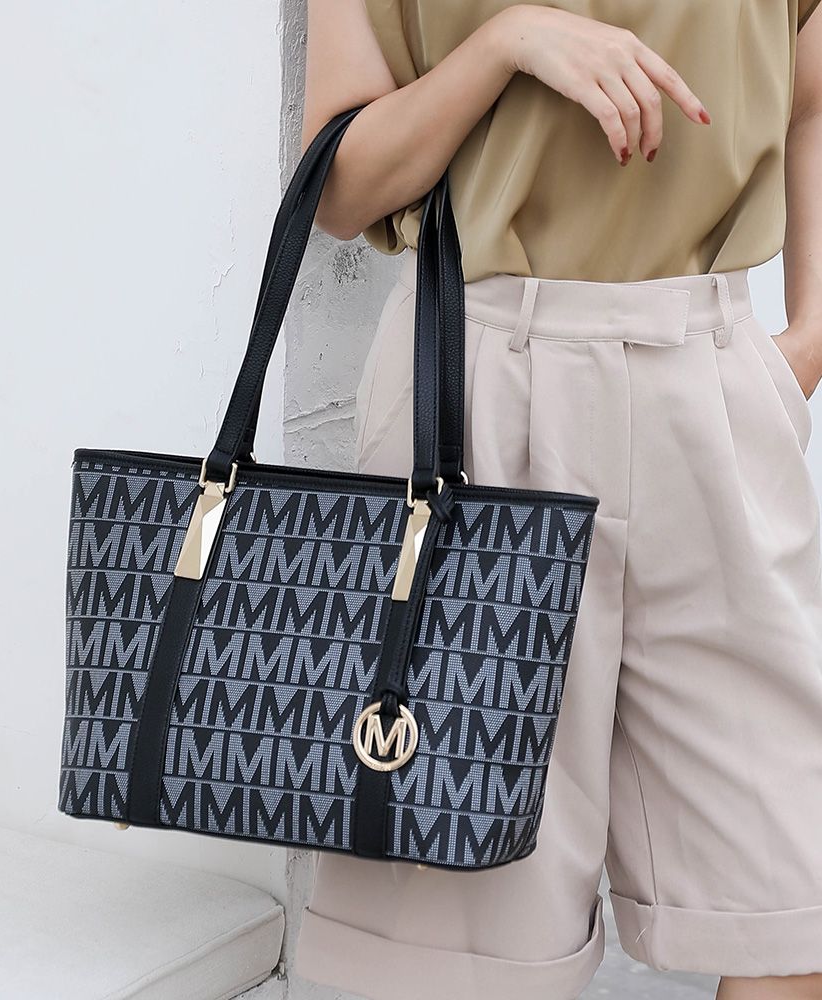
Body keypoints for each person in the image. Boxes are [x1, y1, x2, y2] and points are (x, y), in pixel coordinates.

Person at [291, 2, 822, 999]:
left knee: (790, 904)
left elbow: (811, 102)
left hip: (706, 382)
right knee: (465, 941)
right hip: (474, 393)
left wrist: (804, 344)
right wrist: (506, 44)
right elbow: (343, 188)